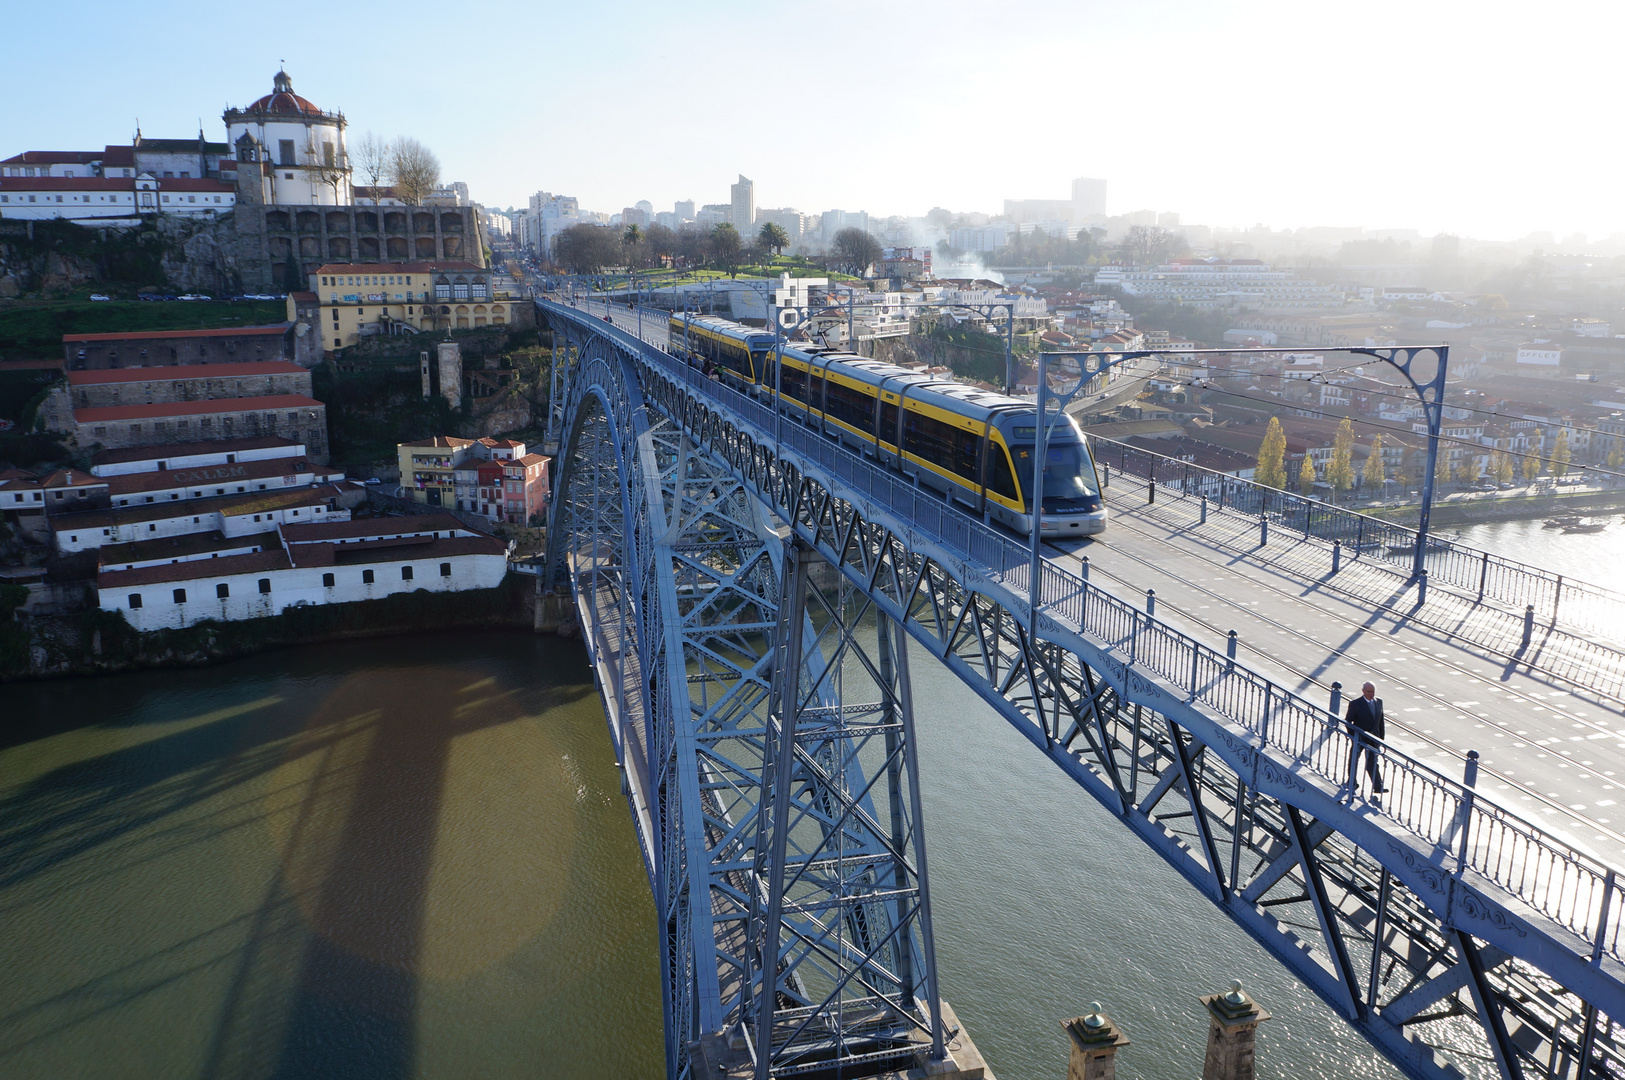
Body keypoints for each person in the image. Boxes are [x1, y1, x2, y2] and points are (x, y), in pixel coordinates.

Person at [1345, 681, 1386, 794]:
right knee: (1354, 759)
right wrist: (1354, 736)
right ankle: (1352, 781)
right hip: (1360, 738)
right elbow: (1348, 721)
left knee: (1373, 762)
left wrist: (1381, 738)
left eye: (1373, 691)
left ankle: (1378, 786)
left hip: (1374, 738)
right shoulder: (1355, 704)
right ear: (1363, 691)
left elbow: (1380, 721)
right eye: (1368, 691)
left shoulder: (1379, 702)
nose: (1371, 694)